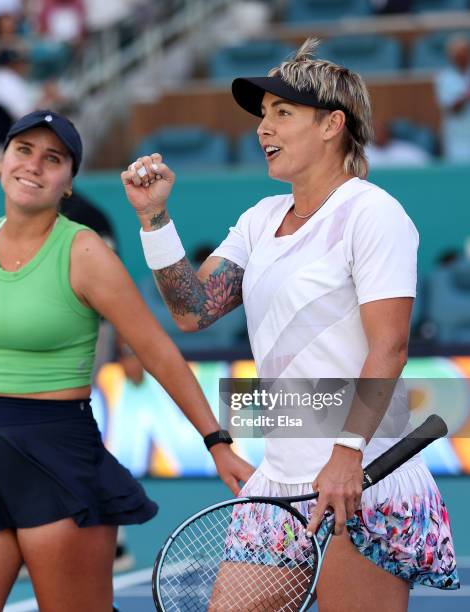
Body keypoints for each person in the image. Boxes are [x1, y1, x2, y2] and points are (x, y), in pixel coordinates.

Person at [122, 38, 459, 610]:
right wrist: (154, 219)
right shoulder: (260, 220)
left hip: (361, 474)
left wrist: (347, 453)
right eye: (262, 116)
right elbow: (193, 310)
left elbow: (391, 345)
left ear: (332, 125)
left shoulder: (373, 213)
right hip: (278, 481)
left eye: (282, 113)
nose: (262, 129)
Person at [0, 109, 253, 611]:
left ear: (67, 185)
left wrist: (217, 441)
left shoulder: (86, 253)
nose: (34, 166)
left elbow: (157, 351)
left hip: (58, 461)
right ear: (0, 163)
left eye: (53, 159)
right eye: (23, 151)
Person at [435, 34, 470, 163]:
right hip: (457, 138)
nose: (461, 56)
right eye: (457, 53)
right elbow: (452, 108)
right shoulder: (444, 78)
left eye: (464, 52)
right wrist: (466, 96)